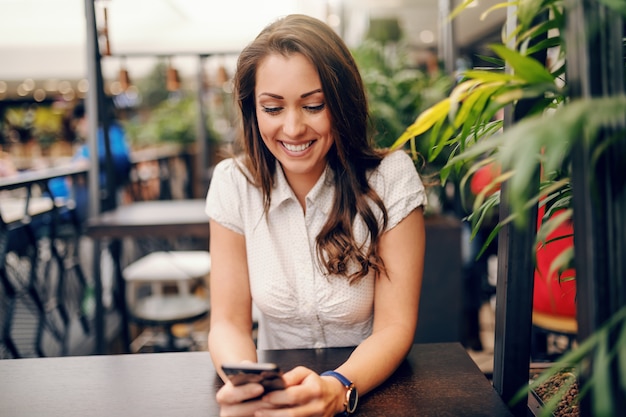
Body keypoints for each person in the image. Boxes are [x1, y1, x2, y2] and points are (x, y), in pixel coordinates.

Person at [205, 14, 427, 416]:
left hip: (372, 387)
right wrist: (251, 385)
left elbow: (395, 327)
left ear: (341, 104)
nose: (292, 128)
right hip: (277, 395)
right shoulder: (233, 183)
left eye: (313, 105)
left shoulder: (391, 177)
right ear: (253, 110)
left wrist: (338, 387)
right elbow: (228, 323)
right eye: (272, 108)